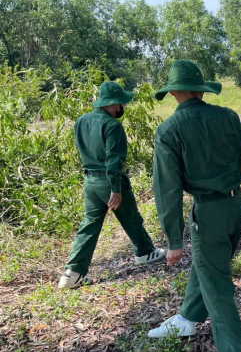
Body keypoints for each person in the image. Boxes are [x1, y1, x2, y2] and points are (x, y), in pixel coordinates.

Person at [148, 60, 241, 352]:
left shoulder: (168, 131)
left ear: (174, 92)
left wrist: (173, 240)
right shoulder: (227, 116)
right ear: (200, 90)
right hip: (235, 205)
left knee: (216, 279)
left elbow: (167, 189)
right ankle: (187, 319)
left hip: (209, 211)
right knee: (208, 264)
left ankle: (238, 351)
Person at [58, 82, 166, 289]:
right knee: (131, 217)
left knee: (89, 225)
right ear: (115, 104)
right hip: (109, 181)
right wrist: (116, 189)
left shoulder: (81, 121)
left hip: (90, 181)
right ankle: (144, 252)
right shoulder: (112, 125)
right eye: (122, 104)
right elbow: (114, 159)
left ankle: (72, 273)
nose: (123, 108)